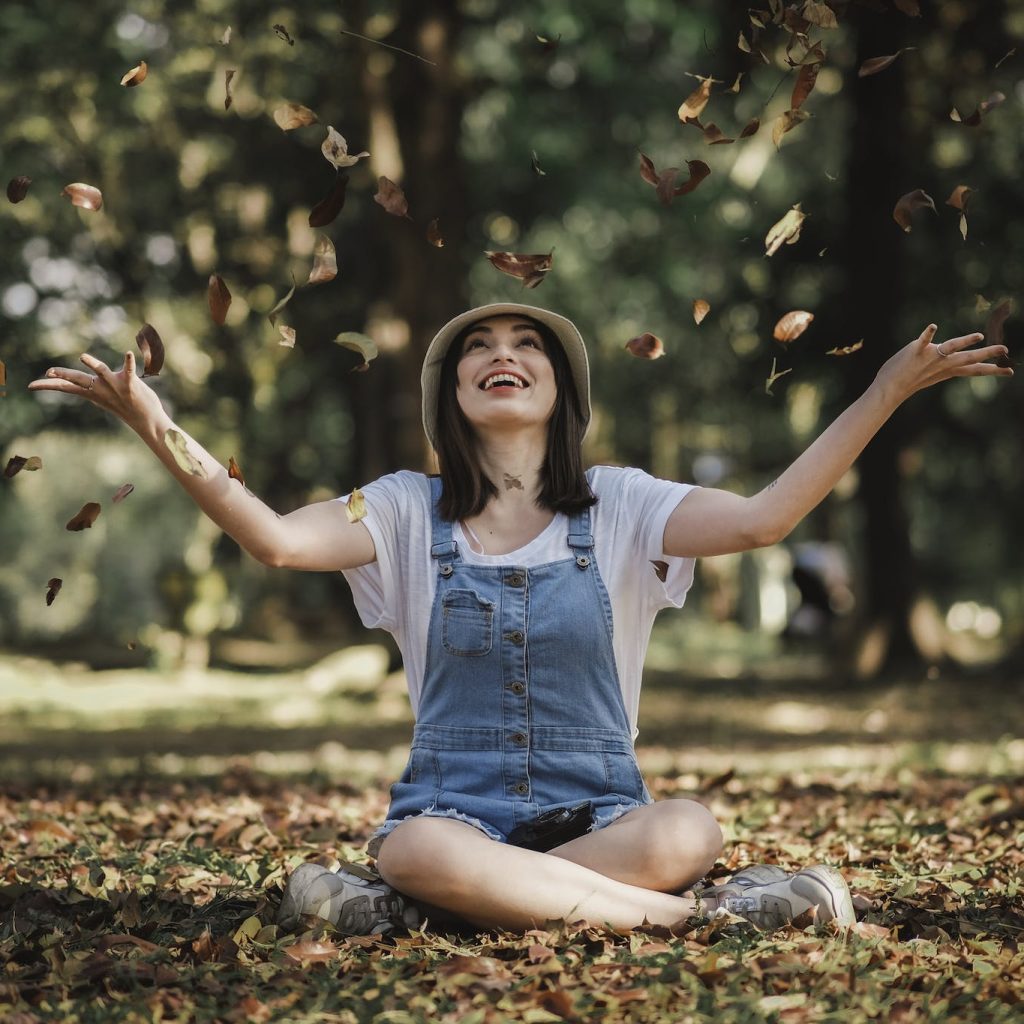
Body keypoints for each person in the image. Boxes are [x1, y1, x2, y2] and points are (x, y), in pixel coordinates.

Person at [30, 303, 1011, 937]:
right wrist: (154, 422)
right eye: (479, 351)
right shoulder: (406, 509)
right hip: (453, 818)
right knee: (414, 847)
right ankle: (691, 921)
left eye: (526, 344)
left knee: (688, 824)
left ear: (560, 390)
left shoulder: (623, 504)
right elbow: (277, 540)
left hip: (602, 824)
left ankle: (435, 912)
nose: (503, 355)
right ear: (452, 395)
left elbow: (767, 518)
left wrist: (884, 390)